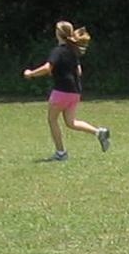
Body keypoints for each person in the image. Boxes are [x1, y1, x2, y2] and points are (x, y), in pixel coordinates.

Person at [23, 21, 112, 160]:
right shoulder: (73, 51)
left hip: (61, 91)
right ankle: (99, 132)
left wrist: (31, 74)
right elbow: (79, 71)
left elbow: (47, 68)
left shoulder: (58, 51)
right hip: (75, 92)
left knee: (52, 120)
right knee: (71, 122)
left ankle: (61, 153)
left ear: (58, 33)